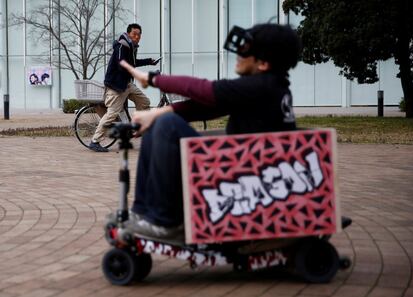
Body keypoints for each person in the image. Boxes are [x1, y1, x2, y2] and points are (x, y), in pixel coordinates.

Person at [119, 23, 302, 239]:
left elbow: (203, 89)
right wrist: (155, 115)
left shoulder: (261, 87)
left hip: (240, 180)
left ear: (262, 63)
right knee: (160, 123)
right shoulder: (270, 86)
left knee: (168, 125)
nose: (238, 54)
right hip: (243, 171)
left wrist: (152, 79)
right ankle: (143, 213)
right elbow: (210, 106)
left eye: (245, 50)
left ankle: (165, 221)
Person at [89, 23, 160, 152]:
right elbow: (122, 65)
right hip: (116, 86)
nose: (137, 37)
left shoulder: (131, 47)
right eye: (134, 34)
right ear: (128, 34)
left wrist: (149, 61)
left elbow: (132, 63)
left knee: (144, 102)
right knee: (112, 114)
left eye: (139, 35)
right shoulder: (122, 46)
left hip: (126, 84)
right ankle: (95, 141)